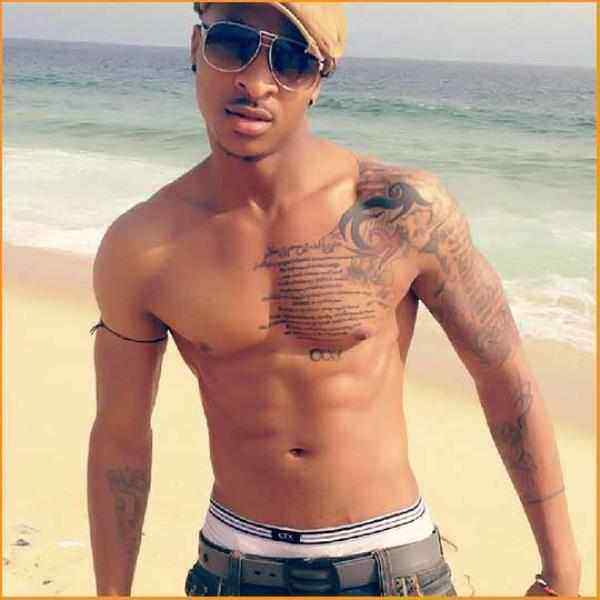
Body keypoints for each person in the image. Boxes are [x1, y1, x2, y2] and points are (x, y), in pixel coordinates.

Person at [87, 2, 582, 596]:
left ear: (318, 82)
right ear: (196, 48)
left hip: (394, 571)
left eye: (291, 59)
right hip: (232, 571)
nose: (255, 81)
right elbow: (120, 437)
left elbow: (505, 377)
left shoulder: (400, 212)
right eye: (232, 43)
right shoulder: (144, 246)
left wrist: (562, 573)